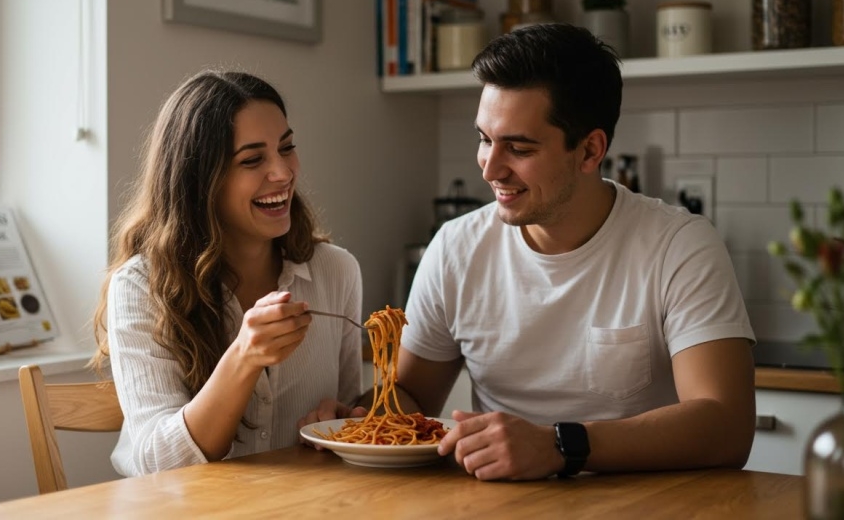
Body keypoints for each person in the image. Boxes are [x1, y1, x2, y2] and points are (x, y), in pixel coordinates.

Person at [398, 24, 756, 480]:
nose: (490, 168)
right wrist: (349, 416)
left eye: (519, 147)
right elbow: (409, 398)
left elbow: (727, 426)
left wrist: (559, 446)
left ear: (590, 150)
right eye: (485, 139)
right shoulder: (455, 247)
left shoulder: (679, 245)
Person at [91, 70, 365, 476]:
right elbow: (158, 464)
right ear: (200, 180)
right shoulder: (138, 286)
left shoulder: (337, 270)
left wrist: (342, 419)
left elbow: (347, 416)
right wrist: (244, 357)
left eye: (286, 148)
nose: (283, 172)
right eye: (253, 159)